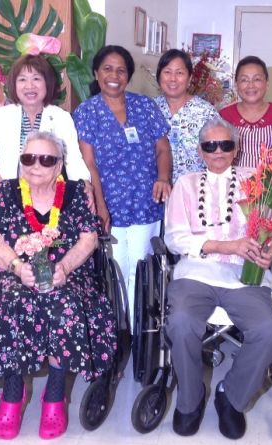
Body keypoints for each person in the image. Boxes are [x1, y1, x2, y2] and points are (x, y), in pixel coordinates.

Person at [0, 132, 115, 440]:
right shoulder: (7, 191)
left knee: (64, 304)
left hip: (70, 273)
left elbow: (89, 238)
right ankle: (12, 394)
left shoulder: (76, 193)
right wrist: (16, 267)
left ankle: (54, 395)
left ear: (59, 164)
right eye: (28, 158)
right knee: (13, 303)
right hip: (14, 273)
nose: (36, 165)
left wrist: (64, 267)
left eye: (46, 159)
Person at [164, 118, 272, 440]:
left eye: (225, 145)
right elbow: (175, 238)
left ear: (236, 150)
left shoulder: (256, 181)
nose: (218, 151)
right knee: (180, 323)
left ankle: (231, 397)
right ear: (200, 151)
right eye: (210, 145)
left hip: (244, 276)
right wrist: (223, 245)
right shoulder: (186, 184)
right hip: (196, 273)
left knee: (269, 331)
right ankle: (190, 401)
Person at [73, 45, 172, 315]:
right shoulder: (86, 112)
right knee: (116, 270)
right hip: (110, 204)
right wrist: (101, 206)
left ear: (128, 75)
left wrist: (163, 177)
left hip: (146, 202)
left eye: (121, 70)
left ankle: (139, 332)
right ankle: (119, 330)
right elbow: (88, 164)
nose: (114, 75)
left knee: (141, 270)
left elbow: (163, 148)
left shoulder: (145, 106)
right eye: (107, 68)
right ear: (96, 73)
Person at [0, 54, 90, 196]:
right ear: (14, 84)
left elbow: (73, 159)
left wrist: (85, 184)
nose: (29, 86)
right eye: (22, 79)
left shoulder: (61, 117)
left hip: (49, 198)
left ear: (47, 83)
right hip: (8, 196)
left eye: (36, 79)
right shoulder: (0, 116)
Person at [153, 48, 219, 182]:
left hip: (195, 191)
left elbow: (219, 155)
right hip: (155, 192)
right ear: (159, 77)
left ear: (189, 78)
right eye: (167, 72)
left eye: (179, 73)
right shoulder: (149, 109)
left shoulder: (206, 112)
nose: (173, 79)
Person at [219, 56, 272, 168]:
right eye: (244, 80)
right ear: (236, 85)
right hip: (232, 182)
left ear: (267, 84)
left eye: (257, 79)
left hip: (270, 184)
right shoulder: (224, 116)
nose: (251, 85)